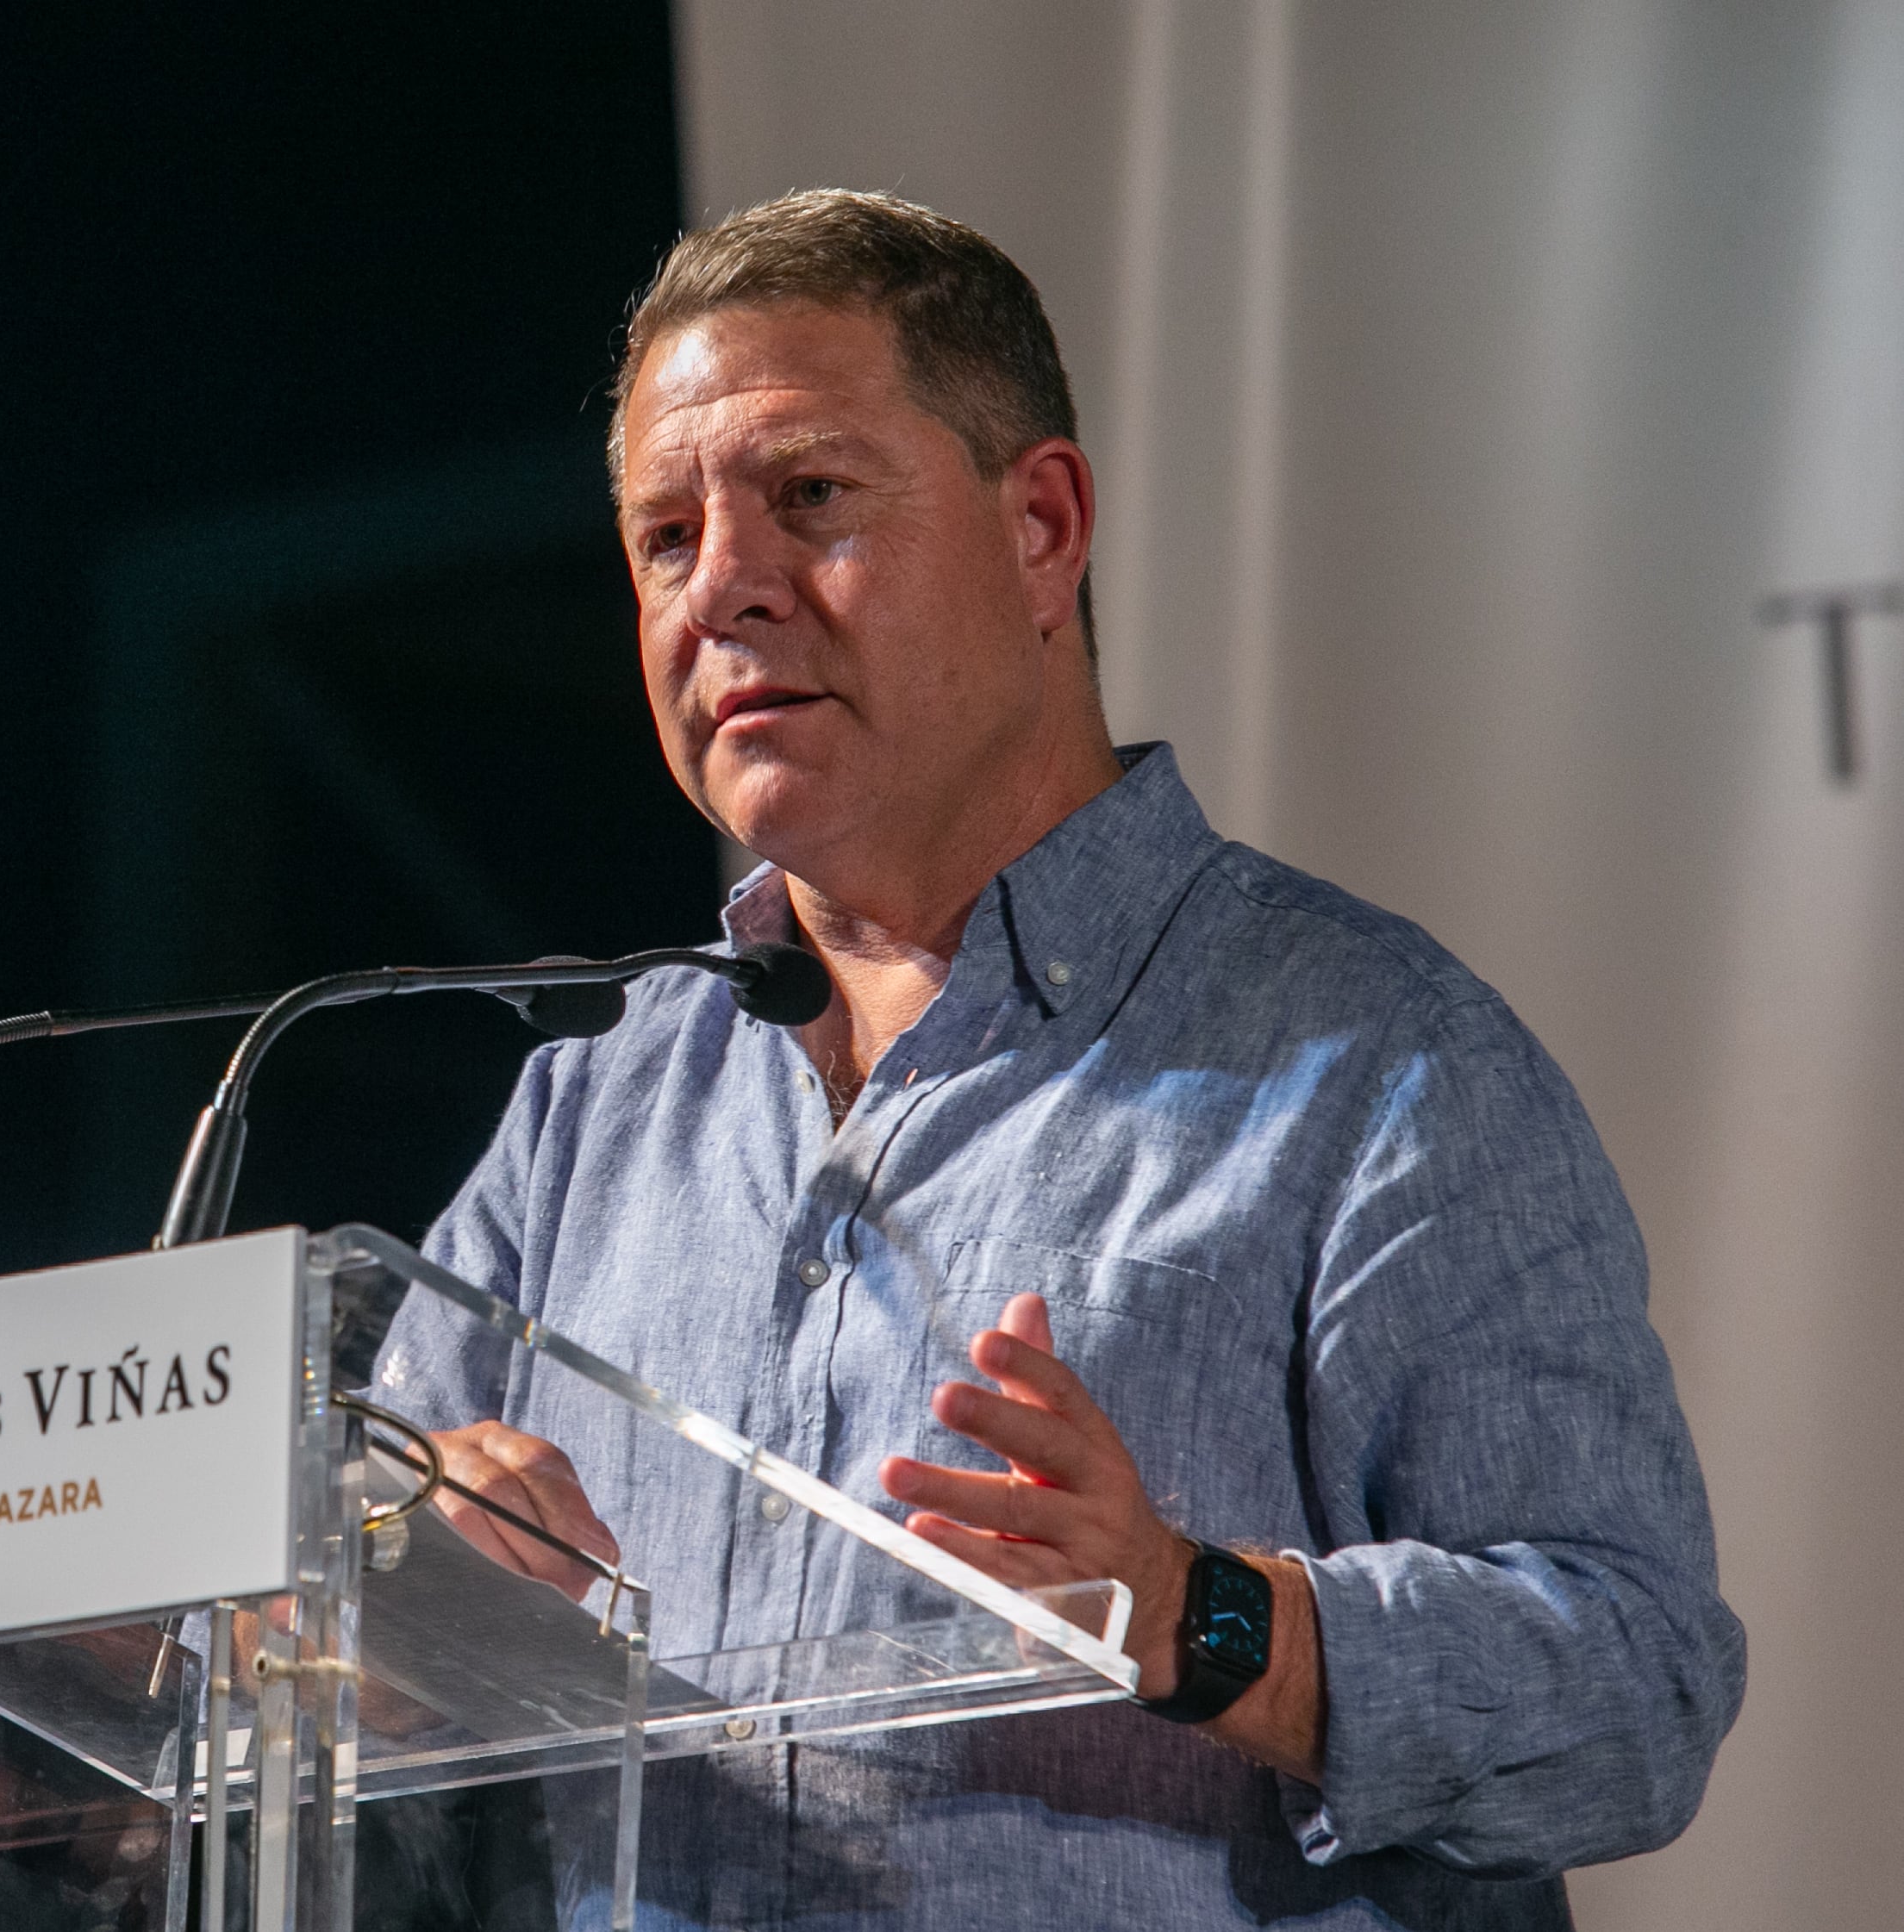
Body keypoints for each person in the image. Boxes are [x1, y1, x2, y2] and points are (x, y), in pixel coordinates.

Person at [366, 190, 1744, 1930]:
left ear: (1039, 525)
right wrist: (397, 1609)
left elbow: (1636, 1689)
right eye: (660, 537)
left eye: (805, 498)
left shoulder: (1371, 1065)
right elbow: (319, 1652)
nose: (719, 586)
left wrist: (1200, 1616)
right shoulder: (587, 1117)